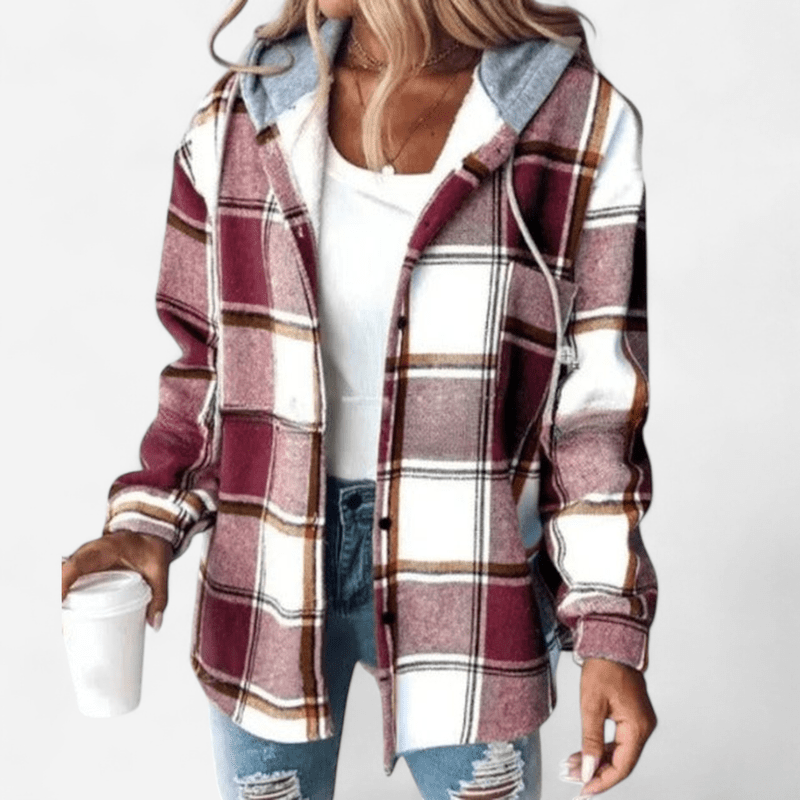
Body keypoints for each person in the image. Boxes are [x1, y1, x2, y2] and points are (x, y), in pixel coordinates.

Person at [61, 1, 657, 798]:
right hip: (270, 573)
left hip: (470, 581)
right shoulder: (244, 113)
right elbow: (206, 369)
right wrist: (144, 525)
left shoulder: (575, 121)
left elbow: (593, 414)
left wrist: (609, 628)